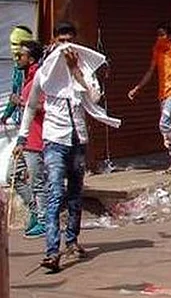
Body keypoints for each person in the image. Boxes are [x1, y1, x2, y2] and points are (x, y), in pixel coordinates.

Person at [17, 23, 120, 272]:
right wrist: (22, 137)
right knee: (54, 193)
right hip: (54, 140)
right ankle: (52, 251)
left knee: (75, 193)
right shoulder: (45, 72)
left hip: (77, 140)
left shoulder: (83, 70)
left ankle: (72, 241)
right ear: (54, 41)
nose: (65, 45)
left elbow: (94, 98)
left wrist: (75, 71)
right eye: (61, 40)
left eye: (69, 41)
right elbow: (30, 106)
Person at [128, 22, 171, 173]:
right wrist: (137, 88)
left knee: (164, 123)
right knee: (170, 126)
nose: (159, 38)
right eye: (158, 35)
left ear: (169, 36)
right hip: (163, 95)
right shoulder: (157, 51)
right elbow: (151, 71)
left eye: (162, 35)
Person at [11, 40, 47, 238]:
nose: (17, 59)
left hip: (36, 140)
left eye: (21, 55)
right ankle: (35, 209)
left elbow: (45, 107)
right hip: (25, 139)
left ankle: (43, 220)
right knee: (13, 175)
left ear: (31, 59)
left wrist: (24, 103)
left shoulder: (40, 79)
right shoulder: (26, 79)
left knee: (37, 182)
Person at [2, 25, 34, 125]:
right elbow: (15, 92)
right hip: (19, 119)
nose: (13, 48)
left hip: (33, 120)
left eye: (16, 44)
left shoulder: (38, 68)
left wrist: (21, 101)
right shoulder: (18, 66)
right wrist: (5, 116)